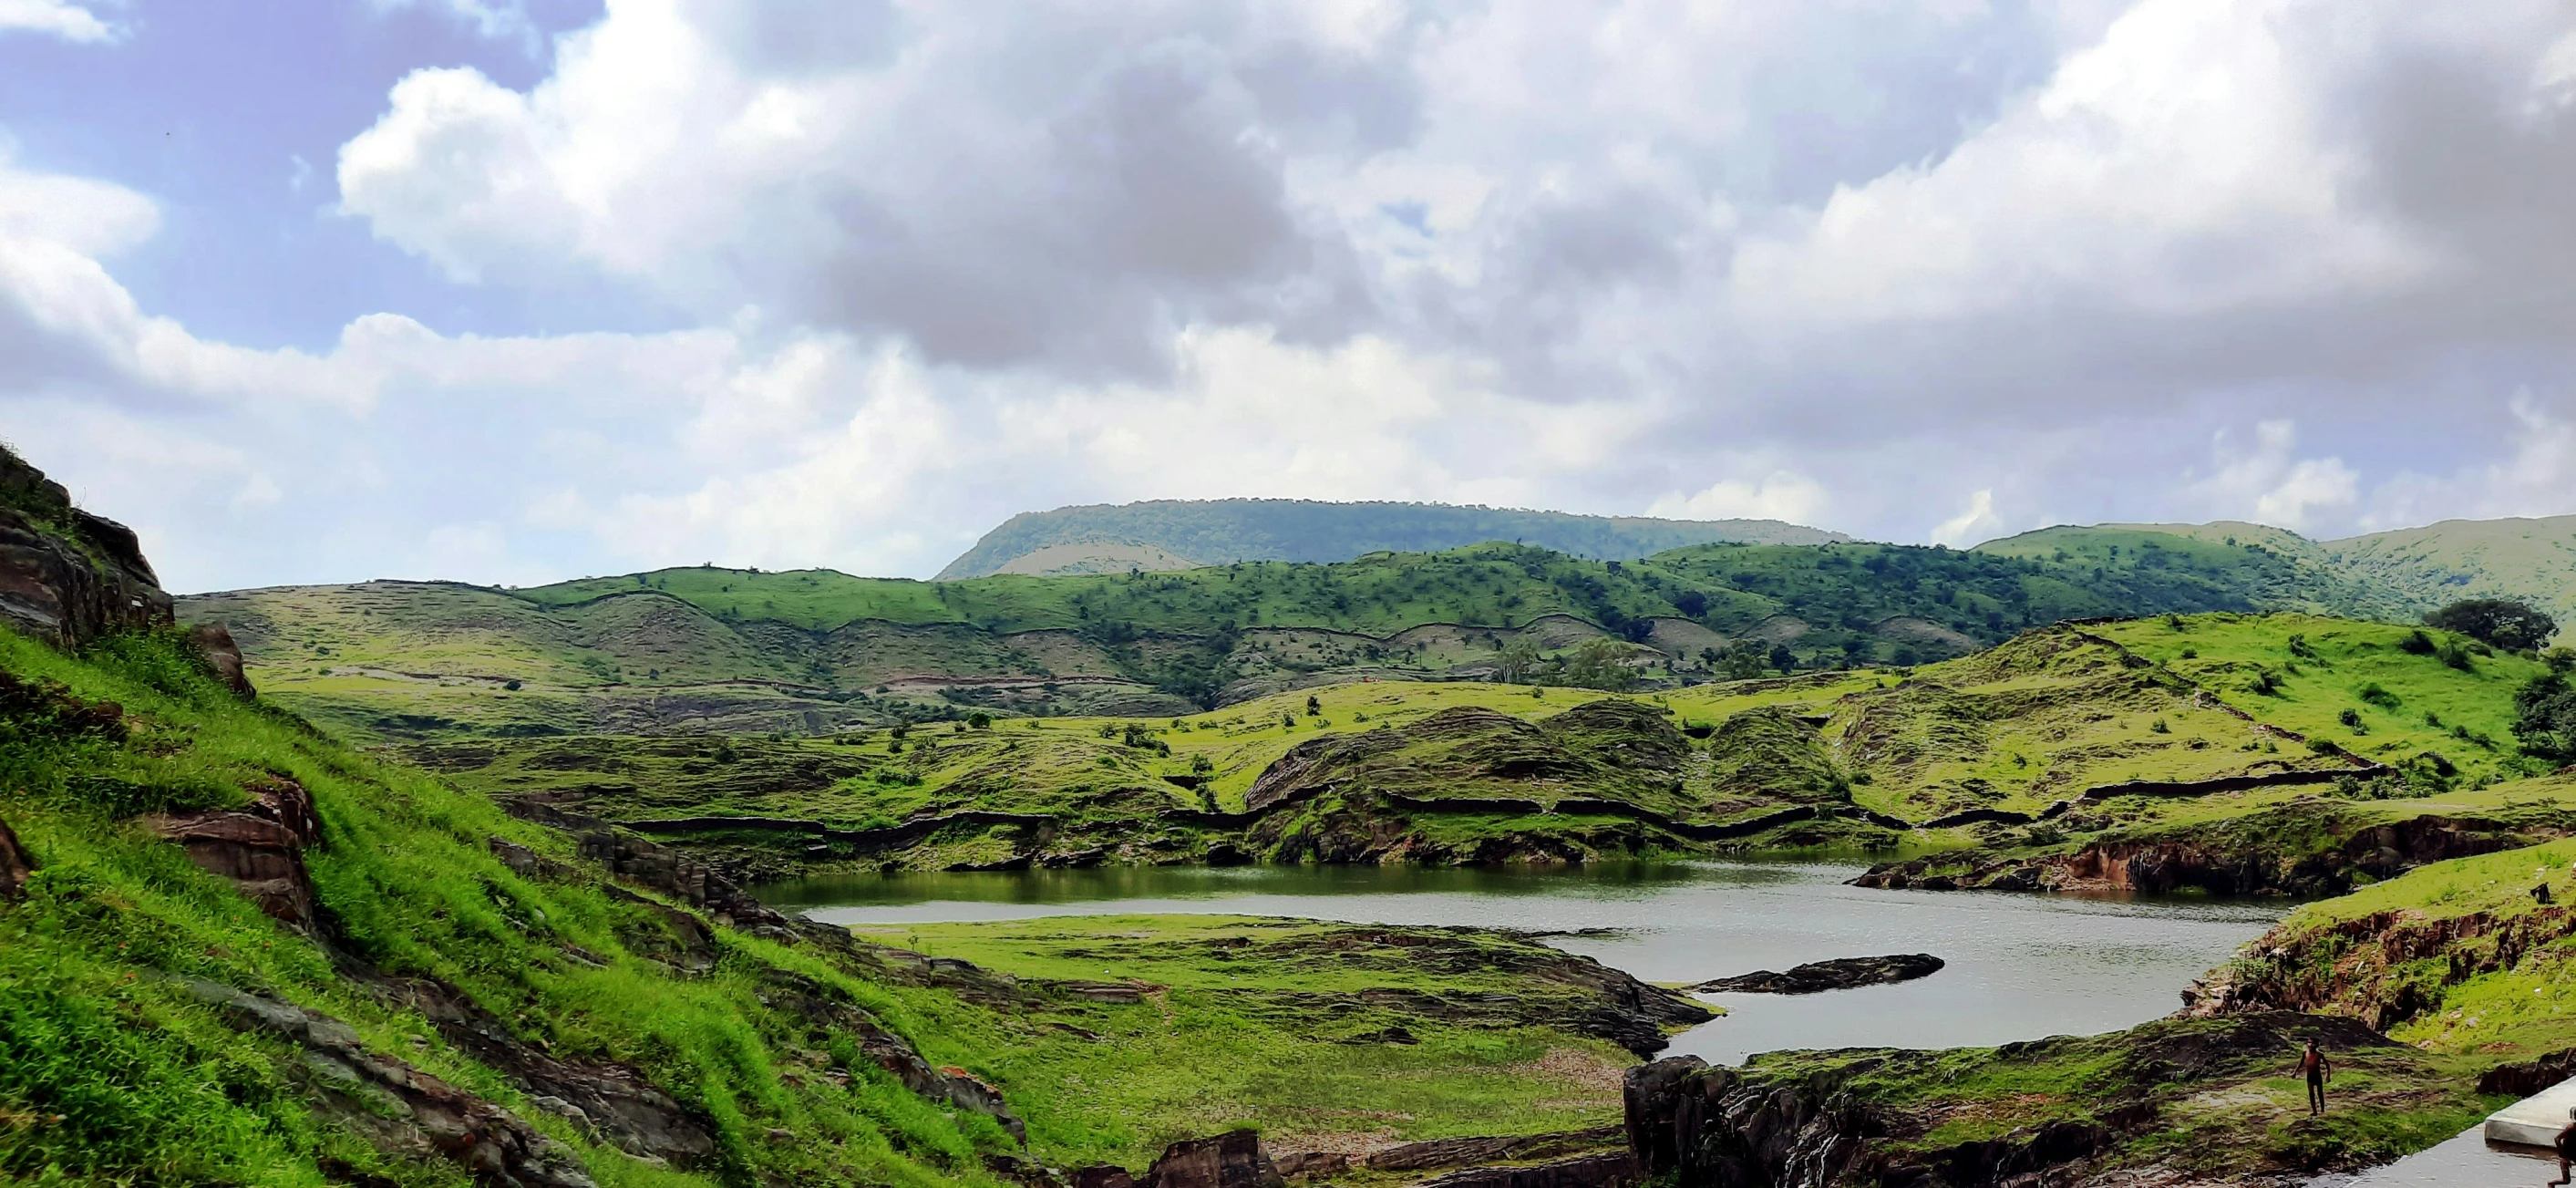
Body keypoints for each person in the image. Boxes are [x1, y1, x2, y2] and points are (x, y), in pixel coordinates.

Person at [2297, 1041, 2333, 1115]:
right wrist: (2295, 1072)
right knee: (2311, 1093)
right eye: (2309, 1043)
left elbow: (2327, 1065)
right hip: (2309, 1076)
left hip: (2317, 1076)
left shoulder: (2319, 1054)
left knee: (2320, 1093)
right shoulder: (2305, 1053)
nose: (2310, 1045)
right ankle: (2314, 1111)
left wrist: (2328, 1076)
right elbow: (2300, 1063)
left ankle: (2322, 1109)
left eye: (2313, 1043)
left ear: (2316, 1046)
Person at [2553, 1106, 2576, 1188]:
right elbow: (2557, 1139)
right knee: (2566, 1180)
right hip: (2569, 1153)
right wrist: (2563, 1157)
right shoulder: (2571, 1128)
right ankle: (2550, 1184)